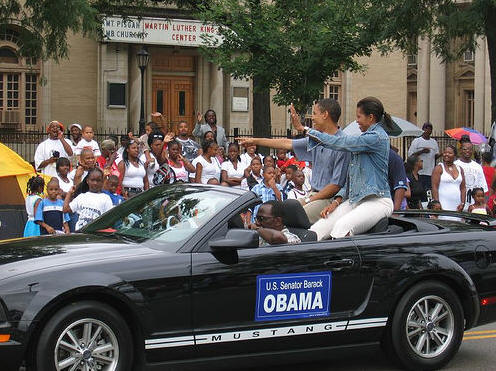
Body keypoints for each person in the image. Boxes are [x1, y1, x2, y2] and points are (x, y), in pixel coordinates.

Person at [238, 98, 350, 224]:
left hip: (329, 199)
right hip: (314, 195)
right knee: (276, 211)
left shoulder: (343, 143)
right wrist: (254, 141)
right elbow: (286, 143)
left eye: (314, 113)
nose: (312, 118)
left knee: (288, 218)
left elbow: (335, 186)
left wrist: (308, 200)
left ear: (325, 115)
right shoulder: (317, 139)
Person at [308, 97, 394, 240]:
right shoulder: (364, 140)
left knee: (341, 227)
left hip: (378, 201)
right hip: (355, 200)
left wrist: (306, 131)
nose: (356, 121)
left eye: (359, 116)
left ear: (370, 117)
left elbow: (340, 142)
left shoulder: (377, 138)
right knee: (318, 228)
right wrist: (336, 202)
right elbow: (351, 179)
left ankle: (339, 262)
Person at [431, 145, 466, 214]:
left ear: (455, 155)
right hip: (442, 204)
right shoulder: (439, 168)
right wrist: (437, 202)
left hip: (457, 205)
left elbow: (463, 188)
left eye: (450, 153)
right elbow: (434, 187)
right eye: (445, 152)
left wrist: (462, 203)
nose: (446, 154)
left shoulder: (460, 168)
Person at [407, 122, 440, 195]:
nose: (428, 131)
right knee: (420, 190)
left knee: (428, 191)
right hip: (419, 172)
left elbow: (436, 156)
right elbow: (410, 155)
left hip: (430, 172)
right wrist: (422, 151)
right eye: (426, 129)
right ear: (423, 130)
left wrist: (441, 155)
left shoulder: (434, 142)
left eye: (430, 129)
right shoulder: (417, 141)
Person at [455, 141, 488, 206]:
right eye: (465, 149)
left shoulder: (477, 167)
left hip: (474, 204)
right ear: (460, 150)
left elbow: (484, 188)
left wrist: (483, 204)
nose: (467, 151)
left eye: (470, 149)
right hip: (458, 203)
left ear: (472, 151)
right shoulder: (455, 165)